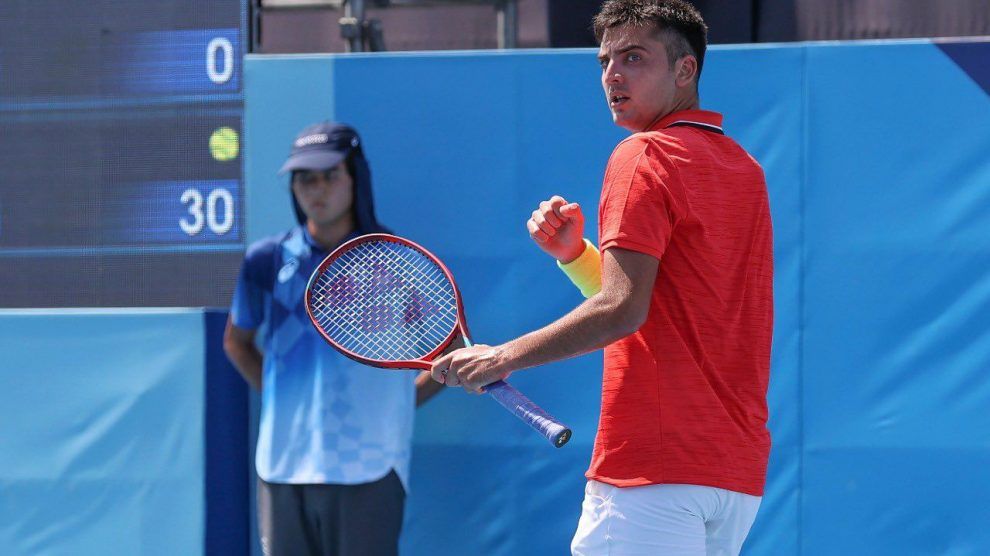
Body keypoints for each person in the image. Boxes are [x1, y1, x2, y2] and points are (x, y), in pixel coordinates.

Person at [430, 1, 773, 554]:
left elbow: (623, 309)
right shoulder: (744, 169)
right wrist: (577, 256)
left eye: (634, 57)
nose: (613, 74)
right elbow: (663, 308)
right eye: (605, 61)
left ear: (685, 70)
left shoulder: (641, 155)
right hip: (732, 476)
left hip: (651, 470)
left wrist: (500, 359)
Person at [223, 121, 443, 556]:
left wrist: (399, 404)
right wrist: (282, 400)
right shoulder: (265, 261)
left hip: (371, 466)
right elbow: (236, 342)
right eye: (305, 179)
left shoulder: (397, 261)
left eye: (329, 176)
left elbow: (450, 357)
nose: (316, 189)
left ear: (355, 178)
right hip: (282, 468)